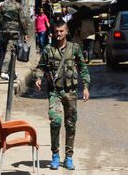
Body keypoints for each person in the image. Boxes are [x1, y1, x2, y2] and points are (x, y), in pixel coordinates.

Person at [34, 21, 90, 170]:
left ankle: (69, 157)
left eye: (61, 31)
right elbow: (41, 67)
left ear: (66, 32)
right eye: (56, 31)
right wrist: (39, 78)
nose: (58, 34)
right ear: (53, 32)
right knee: (56, 121)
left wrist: (85, 86)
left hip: (71, 92)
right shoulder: (48, 50)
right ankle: (55, 155)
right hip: (55, 92)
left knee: (70, 125)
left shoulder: (74, 48)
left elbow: (83, 67)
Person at [0, 0, 28, 80]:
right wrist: (25, 33)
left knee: (6, 51)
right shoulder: (18, 6)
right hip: (14, 32)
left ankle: (11, 71)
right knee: (10, 51)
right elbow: (23, 20)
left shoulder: (3, 5)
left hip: (4, 31)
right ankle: (4, 71)